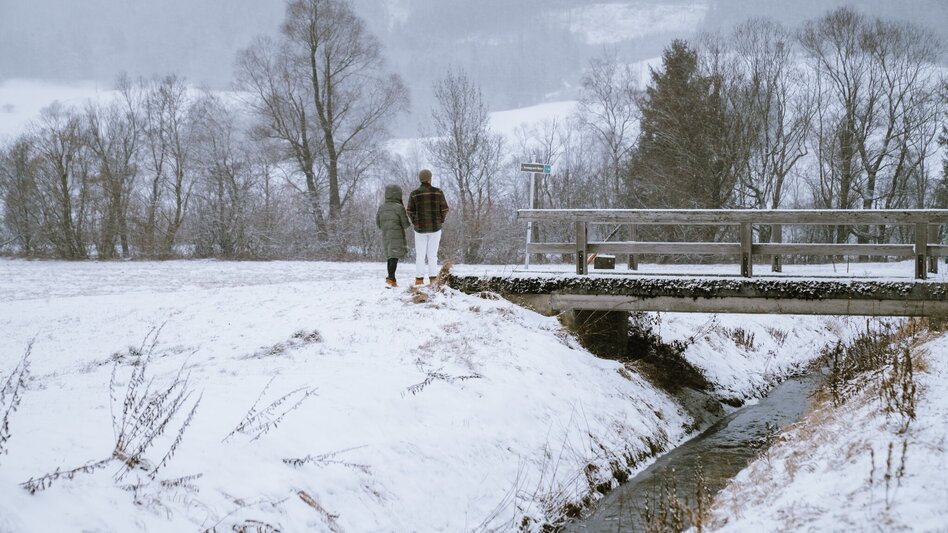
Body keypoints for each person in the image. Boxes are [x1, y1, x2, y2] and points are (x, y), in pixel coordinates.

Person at [406, 169, 449, 285]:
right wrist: (440, 220)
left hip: (420, 229)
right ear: (430, 179)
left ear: (420, 179)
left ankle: (419, 280)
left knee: (420, 255)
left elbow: (409, 210)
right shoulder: (438, 192)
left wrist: (415, 221)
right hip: (435, 228)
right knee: (432, 255)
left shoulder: (414, 194)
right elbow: (445, 209)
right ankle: (433, 279)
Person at [376, 184, 411, 287]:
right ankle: (390, 278)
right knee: (394, 256)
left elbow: (378, 223)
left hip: (386, 234)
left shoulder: (381, 207)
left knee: (390, 256)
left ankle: (392, 279)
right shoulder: (399, 207)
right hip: (397, 235)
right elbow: (405, 224)